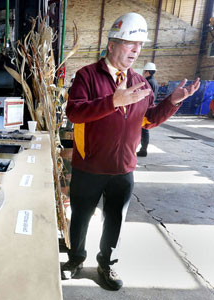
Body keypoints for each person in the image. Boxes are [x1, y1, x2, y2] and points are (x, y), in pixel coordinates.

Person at [61, 12, 200, 290]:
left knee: (115, 220)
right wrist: (113, 101)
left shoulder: (141, 82)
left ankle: (107, 264)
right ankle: (75, 259)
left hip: (123, 168)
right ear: (112, 45)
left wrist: (171, 103)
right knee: (80, 217)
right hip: (89, 167)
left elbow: (147, 119)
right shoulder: (87, 76)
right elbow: (75, 113)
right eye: (129, 43)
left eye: (139, 45)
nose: (135, 50)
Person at [137, 62, 159, 157]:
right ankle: (143, 149)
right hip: (149, 107)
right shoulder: (154, 82)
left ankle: (143, 150)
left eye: (144, 71)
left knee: (143, 130)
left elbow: (145, 96)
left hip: (145, 109)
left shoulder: (148, 82)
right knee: (143, 129)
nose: (143, 73)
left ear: (147, 72)